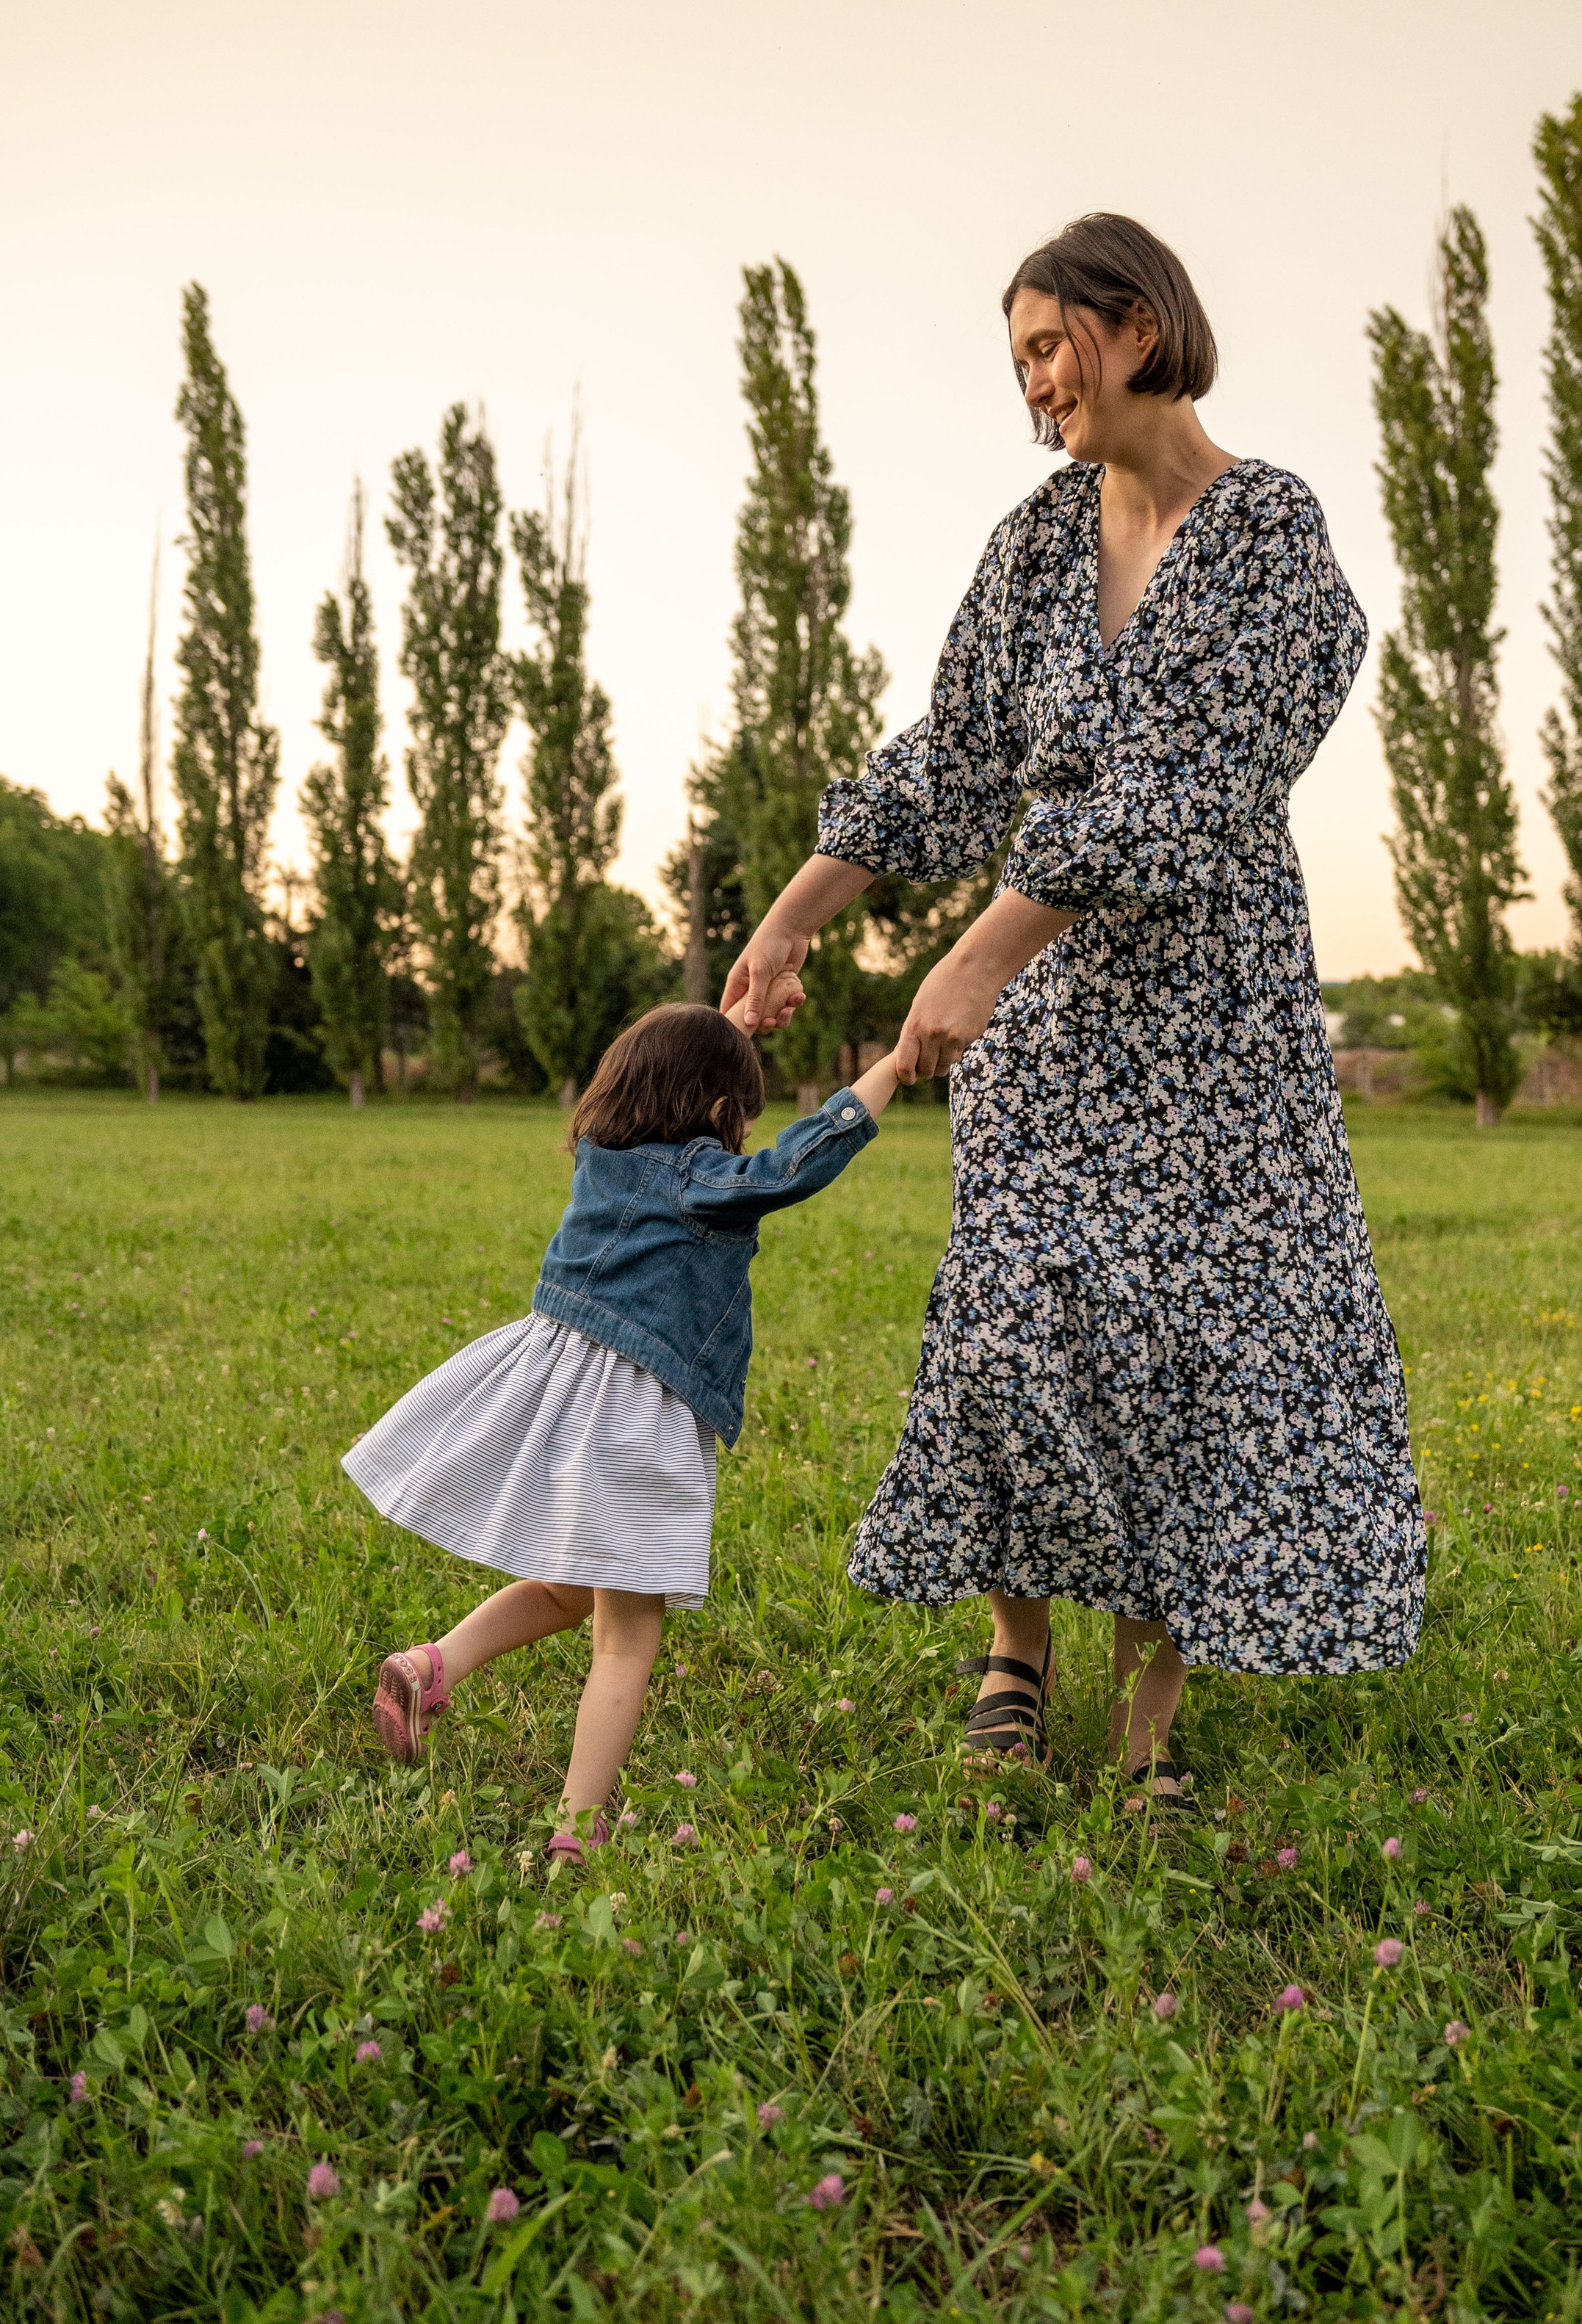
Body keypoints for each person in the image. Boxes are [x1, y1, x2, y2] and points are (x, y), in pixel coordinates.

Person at [722, 212, 1425, 1811]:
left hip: (1208, 1015)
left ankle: (1151, 1715)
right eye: (1020, 358)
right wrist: (786, 921)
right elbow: (946, 755)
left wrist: (976, 954)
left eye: (1049, 346)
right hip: (1042, 1031)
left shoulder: (1269, 537)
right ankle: (1010, 1652)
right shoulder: (1034, 542)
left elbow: (1182, 789)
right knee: (1016, 1314)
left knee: (1184, 1344)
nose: (1036, 385)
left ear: (1133, 323)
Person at [345, 1004, 900, 1862]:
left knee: (568, 1591)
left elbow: (686, 1061)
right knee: (627, 1633)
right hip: (634, 1415)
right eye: (738, 1116)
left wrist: (729, 1021)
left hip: (567, 1403)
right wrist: (890, 1069)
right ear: (718, 1113)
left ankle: (430, 1667)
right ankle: (576, 1829)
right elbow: (792, 1167)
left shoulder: (603, 1163)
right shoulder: (698, 1179)